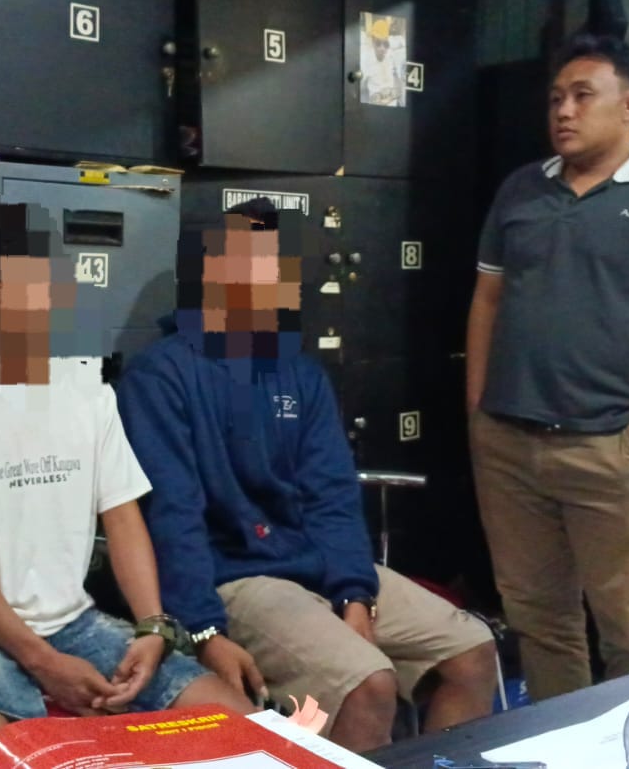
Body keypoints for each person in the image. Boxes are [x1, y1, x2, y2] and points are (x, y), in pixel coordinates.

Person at [118, 201, 499, 753]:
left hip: (312, 561)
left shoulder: (299, 372)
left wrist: (355, 593)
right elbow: (172, 519)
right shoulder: (161, 376)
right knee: (367, 684)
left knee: (471, 650)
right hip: (235, 578)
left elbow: (332, 495)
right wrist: (204, 630)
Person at [0, 203, 253, 769]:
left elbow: (123, 518)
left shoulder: (88, 391)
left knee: (238, 725)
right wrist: (42, 662)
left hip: (77, 624)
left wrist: (153, 627)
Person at [465, 34, 629, 701]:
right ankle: (561, 737)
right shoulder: (521, 188)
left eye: (582, 96)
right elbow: (487, 301)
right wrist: (477, 411)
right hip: (508, 439)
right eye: (556, 98)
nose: (563, 111)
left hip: (608, 442)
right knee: (538, 619)